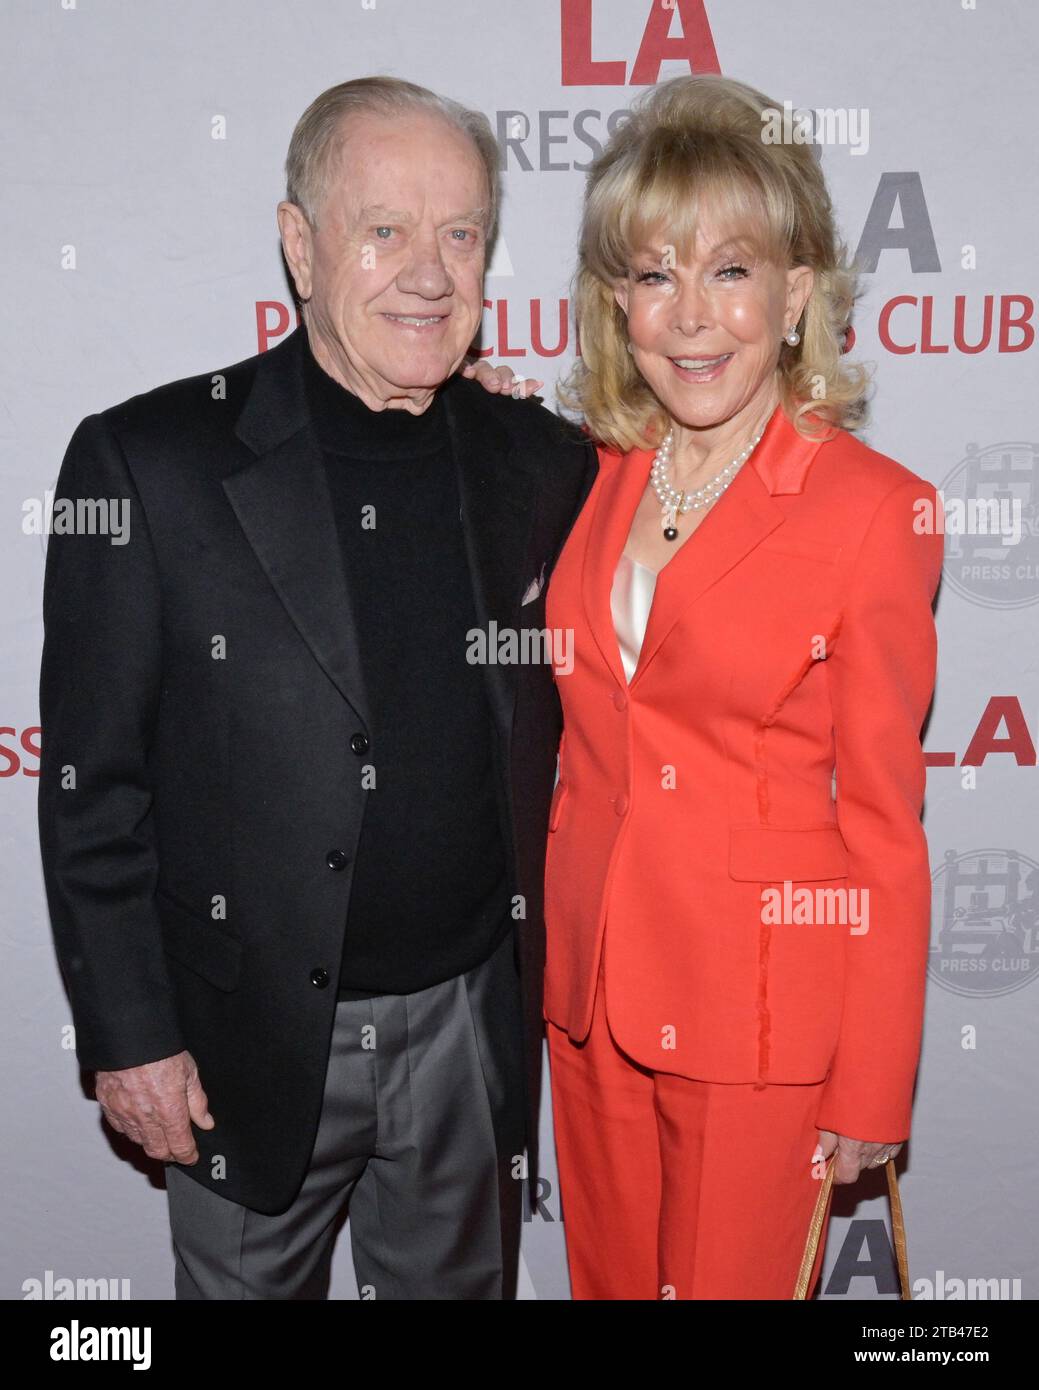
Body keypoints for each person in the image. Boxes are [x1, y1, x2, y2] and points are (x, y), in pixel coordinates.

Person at [37, 76, 596, 1300]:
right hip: (242, 1043)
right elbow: (91, 789)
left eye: (460, 233)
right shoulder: (150, 464)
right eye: (383, 229)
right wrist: (131, 1035)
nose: (430, 272)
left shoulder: (544, 461)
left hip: (468, 1029)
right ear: (300, 244)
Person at [480, 73, 944, 1300]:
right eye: (652, 273)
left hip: (758, 1021)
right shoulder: (595, 473)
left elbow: (887, 827)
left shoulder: (871, 512)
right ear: (614, 300)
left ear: (797, 294)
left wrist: (871, 1083)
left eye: (729, 270)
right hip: (588, 1001)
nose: (690, 317)